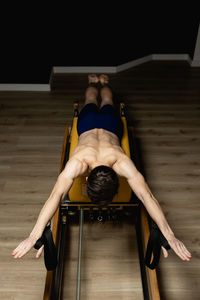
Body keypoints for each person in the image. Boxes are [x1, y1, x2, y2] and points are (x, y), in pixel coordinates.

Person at [12, 74, 192, 263]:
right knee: (106, 101)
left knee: (93, 100)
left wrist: (35, 233)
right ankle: (102, 83)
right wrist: (169, 233)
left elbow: (55, 196)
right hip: (107, 125)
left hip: (92, 123)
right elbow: (147, 196)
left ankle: (95, 83)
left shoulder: (78, 163)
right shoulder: (121, 162)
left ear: (87, 178)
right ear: (116, 176)